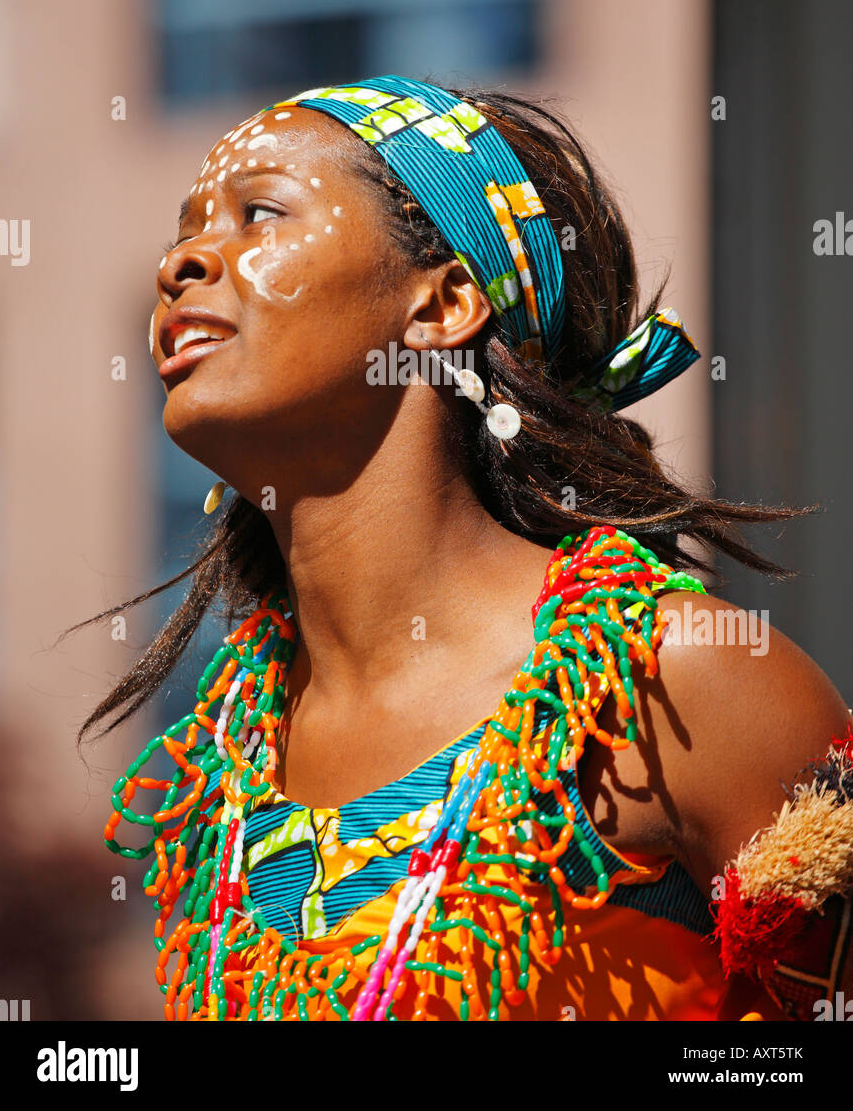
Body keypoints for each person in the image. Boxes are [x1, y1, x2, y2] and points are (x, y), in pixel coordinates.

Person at [79, 76, 853, 1022]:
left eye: (260, 215)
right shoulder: (225, 763)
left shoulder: (673, 682)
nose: (185, 262)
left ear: (442, 304)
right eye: (185, 230)